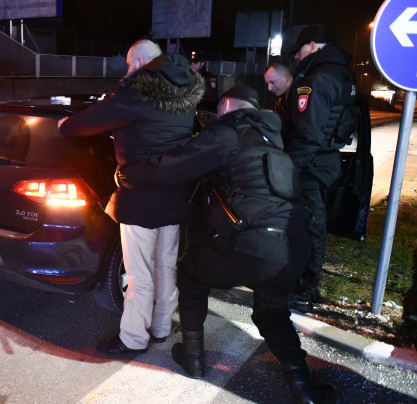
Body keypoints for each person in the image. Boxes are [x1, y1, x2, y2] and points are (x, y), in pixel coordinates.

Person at [118, 85, 333, 403]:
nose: (216, 118)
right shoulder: (274, 144)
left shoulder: (228, 132)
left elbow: (175, 163)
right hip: (292, 246)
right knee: (273, 315)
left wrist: (129, 175)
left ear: (228, 107)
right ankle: (305, 391)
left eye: (218, 112)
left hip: (248, 241)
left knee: (191, 277)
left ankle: (193, 359)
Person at [58, 39, 204, 355]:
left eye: (128, 64)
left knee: (139, 274)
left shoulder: (138, 89)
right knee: (165, 266)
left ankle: (134, 338)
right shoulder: (183, 88)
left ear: (139, 61)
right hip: (175, 193)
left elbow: (92, 120)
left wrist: (65, 124)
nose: (127, 70)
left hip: (141, 198)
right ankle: (162, 328)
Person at [282, 25, 356, 313]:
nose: (296, 57)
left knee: (309, 226)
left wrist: (288, 167)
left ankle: (305, 289)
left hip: (310, 162)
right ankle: (303, 284)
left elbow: (308, 131)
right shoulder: (341, 73)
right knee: (311, 223)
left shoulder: (318, 77)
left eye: (299, 50)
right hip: (325, 159)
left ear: (312, 46)